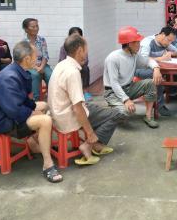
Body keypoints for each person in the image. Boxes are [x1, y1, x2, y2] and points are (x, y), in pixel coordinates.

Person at [0, 41, 62, 183]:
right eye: (35, 56)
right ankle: (48, 164)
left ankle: (35, 142)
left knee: (43, 105)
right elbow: (14, 110)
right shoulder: (9, 78)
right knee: (45, 120)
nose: (37, 59)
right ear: (27, 59)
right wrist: (33, 112)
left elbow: (22, 100)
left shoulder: (17, 71)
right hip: (2, 121)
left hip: (10, 115)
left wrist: (34, 108)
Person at [48, 34, 123, 165]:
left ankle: (97, 145)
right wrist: (90, 133)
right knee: (117, 113)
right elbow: (77, 108)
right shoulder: (72, 72)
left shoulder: (61, 65)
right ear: (80, 50)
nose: (87, 54)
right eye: (86, 50)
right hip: (67, 117)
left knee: (95, 108)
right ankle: (89, 145)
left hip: (56, 113)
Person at [103, 26, 162, 128]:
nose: (139, 45)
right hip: (112, 92)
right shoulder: (113, 58)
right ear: (129, 44)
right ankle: (110, 112)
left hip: (129, 87)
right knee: (125, 113)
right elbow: (114, 83)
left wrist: (156, 68)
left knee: (150, 83)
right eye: (137, 42)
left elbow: (148, 61)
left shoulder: (134, 55)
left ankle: (148, 116)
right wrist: (126, 100)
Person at [135, 26, 177, 117]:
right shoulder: (148, 42)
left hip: (155, 67)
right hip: (140, 69)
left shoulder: (165, 43)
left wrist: (170, 53)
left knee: (173, 72)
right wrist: (161, 58)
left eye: (171, 41)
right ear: (162, 35)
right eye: (169, 40)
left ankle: (170, 93)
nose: (169, 43)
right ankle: (159, 105)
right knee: (156, 75)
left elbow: (176, 51)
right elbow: (143, 60)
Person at [22, 18, 53, 101]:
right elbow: (26, 59)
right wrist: (37, 68)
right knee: (35, 75)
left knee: (51, 75)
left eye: (37, 26)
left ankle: (52, 98)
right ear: (26, 29)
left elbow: (45, 55)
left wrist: (41, 67)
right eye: (33, 27)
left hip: (43, 65)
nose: (36, 28)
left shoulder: (42, 39)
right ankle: (35, 101)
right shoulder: (24, 42)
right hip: (30, 66)